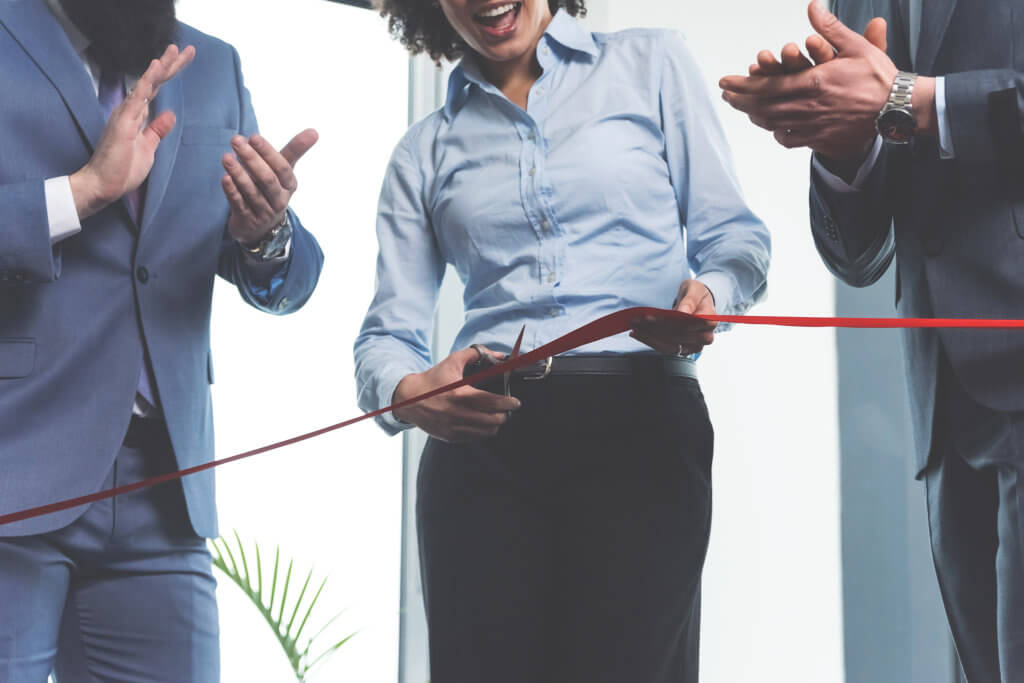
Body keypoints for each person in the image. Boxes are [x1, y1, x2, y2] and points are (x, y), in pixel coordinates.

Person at [356, 1, 771, 680]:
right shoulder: (422, 151)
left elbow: (737, 243)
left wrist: (709, 298)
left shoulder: (652, 64)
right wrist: (406, 393)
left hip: (643, 435)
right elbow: (385, 336)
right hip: (483, 454)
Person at [0, 0, 324, 680]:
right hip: (14, 472)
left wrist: (266, 232)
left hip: (165, 490)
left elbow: (283, 279)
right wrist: (83, 191)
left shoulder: (215, 66)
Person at [720, 1, 1024, 680]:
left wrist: (906, 100)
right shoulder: (852, 8)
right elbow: (857, 256)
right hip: (946, 400)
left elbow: (904, 103)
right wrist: (843, 145)